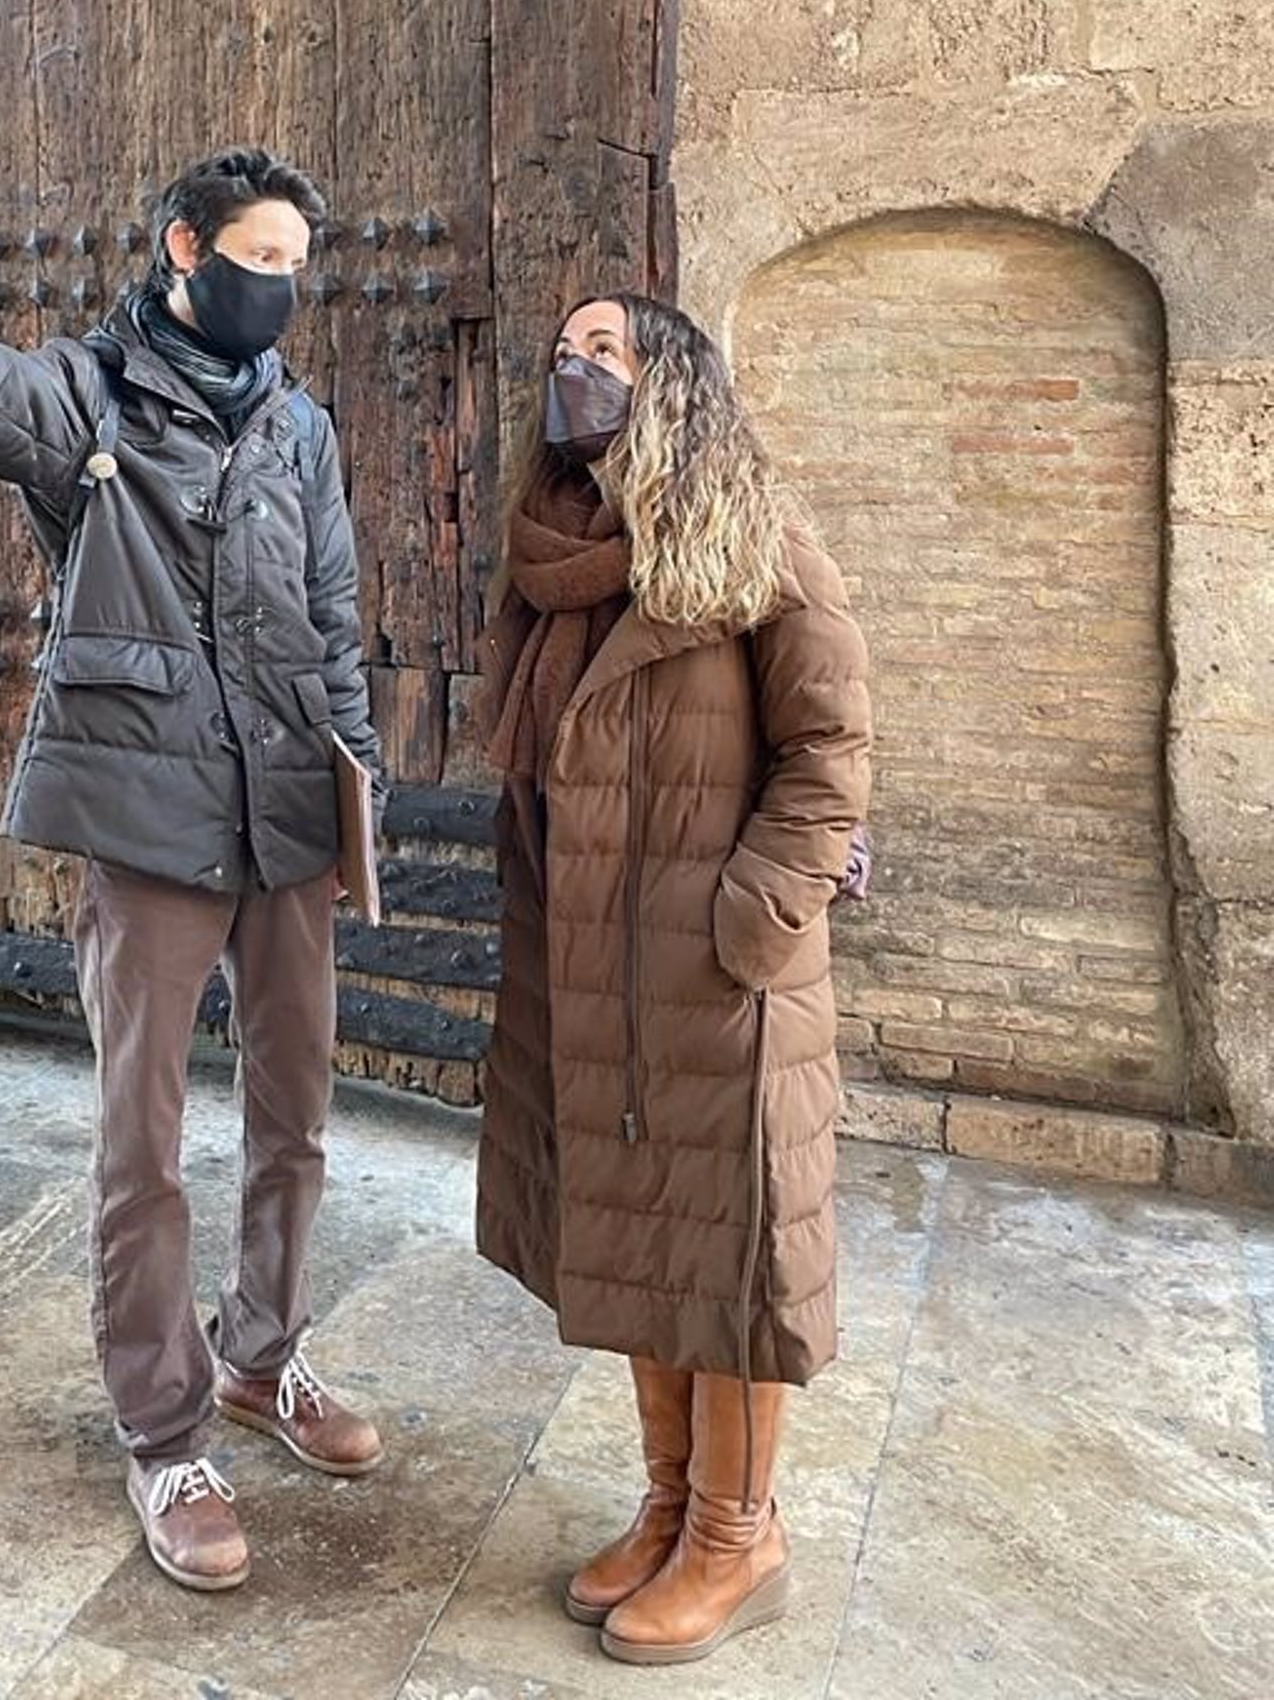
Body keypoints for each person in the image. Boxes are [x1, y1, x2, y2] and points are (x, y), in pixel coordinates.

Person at [0, 0, 386, 1595]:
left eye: (299, 270)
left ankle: (261, 1353)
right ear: (184, 251)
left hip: (290, 816)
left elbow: (337, 618)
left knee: (296, 1113)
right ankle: (167, 1439)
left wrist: (353, 780)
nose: (280, 294)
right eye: (258, 264)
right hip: (151, 827)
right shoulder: (85, 404)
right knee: (143, 1145)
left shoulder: (298, 432)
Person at [475, 293, 872, 1669]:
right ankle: (668, 1507)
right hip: (596, 968)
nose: (571, 374)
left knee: (731, 1253)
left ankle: (738, 1536)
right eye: (564, 354)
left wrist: (751, 921)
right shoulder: (562, 549)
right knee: (645, 1234)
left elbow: (831, 753)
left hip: (716, 976)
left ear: (674, 384)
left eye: (605, 353)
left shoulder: (754, 532)